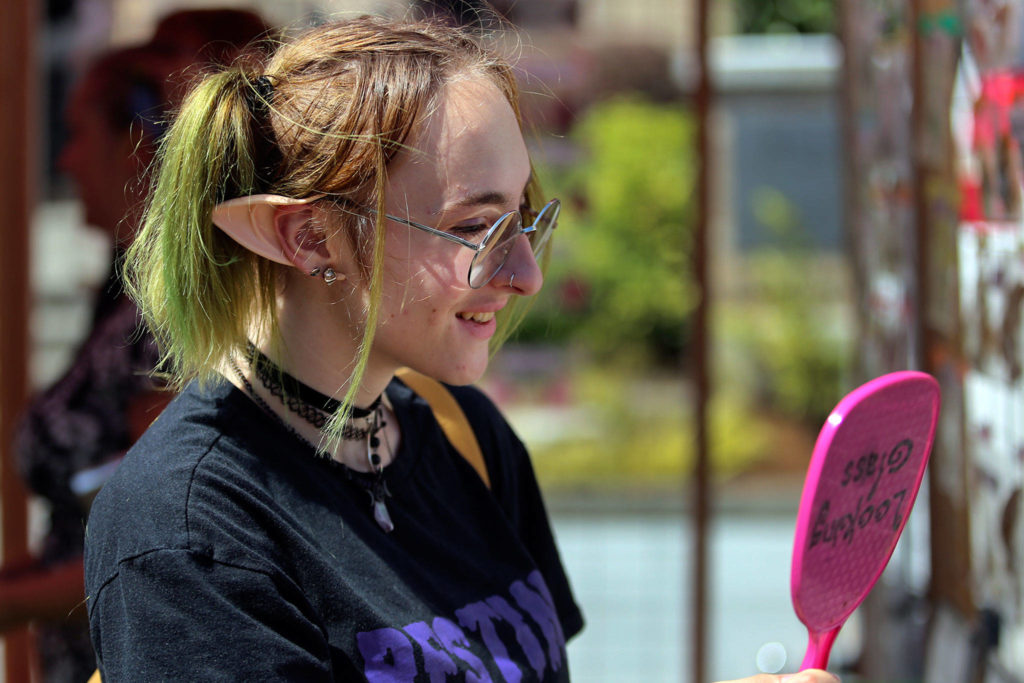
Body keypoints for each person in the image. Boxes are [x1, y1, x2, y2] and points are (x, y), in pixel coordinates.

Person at [82, 14, 838, 683]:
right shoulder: (190, 530)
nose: (527, 275)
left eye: (524, 218)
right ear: (309, 235)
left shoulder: (465, 435)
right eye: (476, 229)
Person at [6, 11, 269, 682]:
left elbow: (169, 523)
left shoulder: (168, 316)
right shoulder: (131, 299)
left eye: (77, 134)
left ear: (135, 147)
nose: (63, 159)